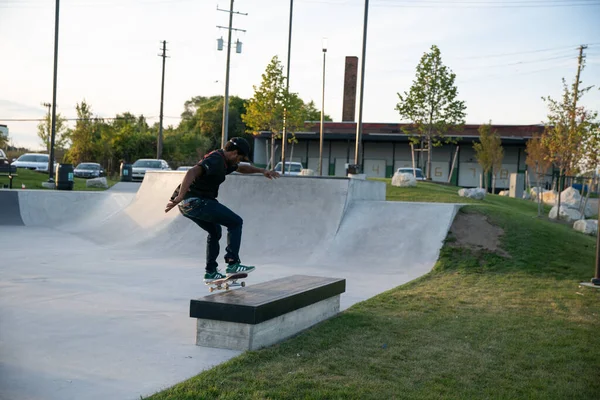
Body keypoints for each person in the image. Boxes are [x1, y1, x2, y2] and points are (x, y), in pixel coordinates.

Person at [164, 137, 279, 282]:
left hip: (187, 206)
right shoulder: (216, 160)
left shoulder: (225, 161)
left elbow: (241, 168)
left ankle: (210, 272)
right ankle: (232, 263)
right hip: (196, 201)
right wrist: (180, 196)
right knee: (235, 222)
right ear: (234, 153)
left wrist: (262, 170)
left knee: (215, 231)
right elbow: (191, 172)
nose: (238, 161)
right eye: (239, 158)